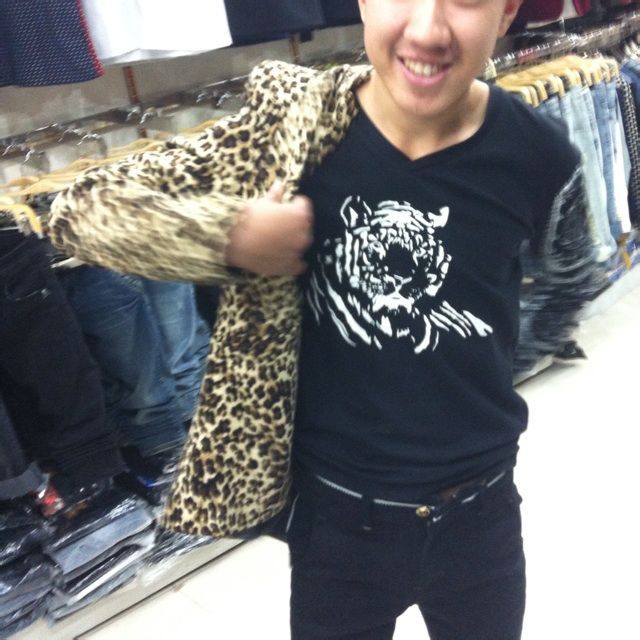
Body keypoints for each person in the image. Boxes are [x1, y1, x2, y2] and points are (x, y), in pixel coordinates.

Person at [49, 1, 602, 638]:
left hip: (481, 515)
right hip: (338, 528)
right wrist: (228, 234)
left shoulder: (537, 154)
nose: (427, 28)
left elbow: (571, 281)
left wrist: (481, 378)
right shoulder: (293, 132)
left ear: (507, 12)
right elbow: (78, 209)